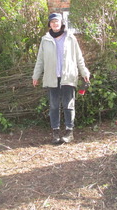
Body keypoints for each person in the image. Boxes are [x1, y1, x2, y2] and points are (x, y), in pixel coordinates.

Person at [32, 13, 90, 144]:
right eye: (52, 22)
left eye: (57, 21)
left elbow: (78, 57)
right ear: (49, 24)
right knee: (53, 106)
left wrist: (84, 72)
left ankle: (69, 132)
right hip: (52, 77)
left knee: (68, 105)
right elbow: (40, 60)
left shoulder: (70, 38)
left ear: (61, 23)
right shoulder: (45, 39)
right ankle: (56, 133)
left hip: (68, 76)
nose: (55, 24)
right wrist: (36, 75)